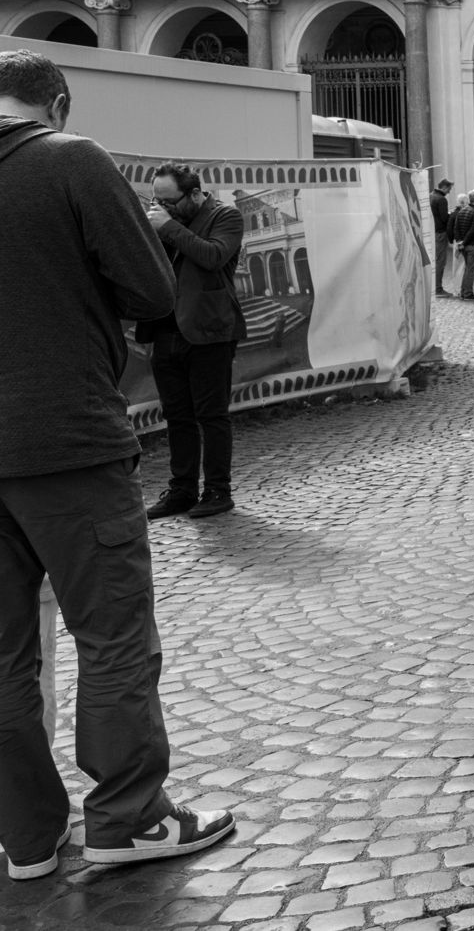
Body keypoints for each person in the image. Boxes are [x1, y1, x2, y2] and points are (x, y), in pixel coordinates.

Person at [0, 50, 237, 881]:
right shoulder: (69, 157)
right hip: (65, 437)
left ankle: (26, 839)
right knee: (113, 638)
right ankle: (129, 819)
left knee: (2, 658)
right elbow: (151, 290)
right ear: (55, 103)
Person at [138, 163, 246, 521]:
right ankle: (182, 489)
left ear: (195, 194)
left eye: (170, 202)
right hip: (165, 329)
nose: (162, 208)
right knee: (177, 417)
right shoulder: (159, 221)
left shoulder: (225, 216)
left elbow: (213, 256)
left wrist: (167, 228)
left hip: (210, 331)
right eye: (158, 201)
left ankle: (218, 490)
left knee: (211, 416)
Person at [448, 189, 474, 298]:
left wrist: (460, 242)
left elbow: (456, 228)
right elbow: (473, 231)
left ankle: (464, 291)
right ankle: (467, 293)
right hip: (473, 245)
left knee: (467, 269)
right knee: (471, 270)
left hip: (464, 245)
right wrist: (464, 242)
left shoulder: (462, 211)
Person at [429, 178, 453, 296]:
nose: (449, 192)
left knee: (433, 260)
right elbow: (444, 218)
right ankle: (438, 288)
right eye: (449, 189)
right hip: (440, 233)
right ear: (444, 187)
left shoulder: (430, 196)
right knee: (440, 261)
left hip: (431, 231)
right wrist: (452, 215)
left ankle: (433, 286)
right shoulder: (441, 199)